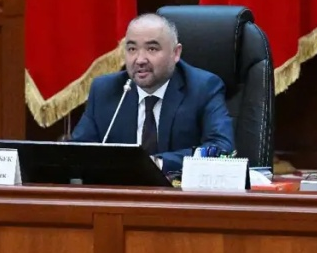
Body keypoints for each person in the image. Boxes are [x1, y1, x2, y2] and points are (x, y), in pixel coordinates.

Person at [71, 13, 235, 172]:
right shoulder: (105, 89)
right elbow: (77, 152)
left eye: (152, 49)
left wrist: (155, 164)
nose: (140, 60)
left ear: (175, 53)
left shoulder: (203, 88)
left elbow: (221, 149)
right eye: (132, 49)